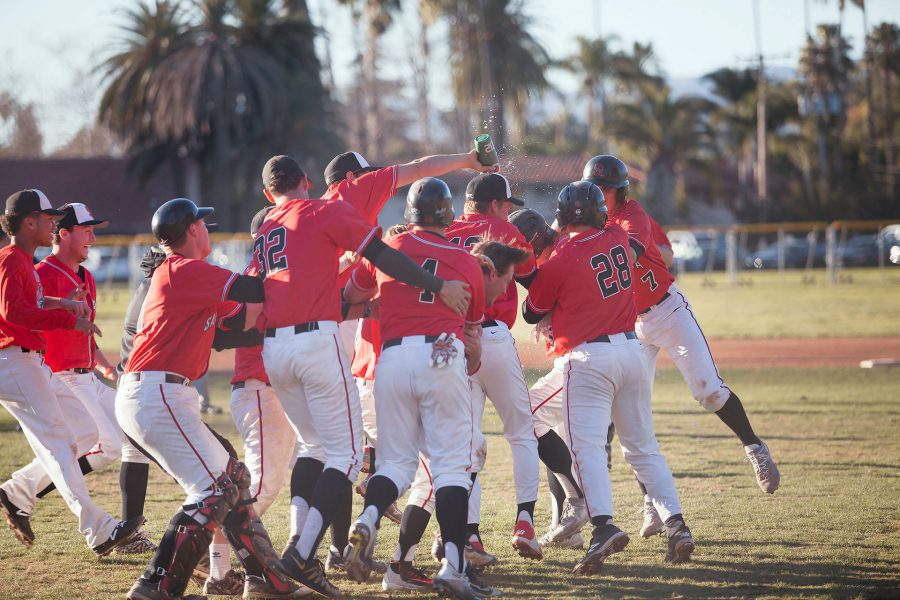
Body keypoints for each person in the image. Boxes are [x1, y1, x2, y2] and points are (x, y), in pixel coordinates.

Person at [251, 156, 471, 598]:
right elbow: (382, 254)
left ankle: (303, 548)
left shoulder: (264, 229)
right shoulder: (322, 208)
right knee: (349, 455)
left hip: (274, 348)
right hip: (316, 340)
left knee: (315, 447)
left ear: (266, 194)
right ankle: (304, 551)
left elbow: (258, 290)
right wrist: (439, 287)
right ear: (308, 182)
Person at [581, 155, 780, 529]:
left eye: (605, 189)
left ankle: (754, 446)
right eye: (595, 189)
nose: (599, 195)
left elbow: (636, 252)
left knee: (708, 391)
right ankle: (652, 504)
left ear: (620, 191)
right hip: (630, 325)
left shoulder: (631, 215)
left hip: (667, 311)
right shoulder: (587, 223)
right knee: (633, 419)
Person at [118, 198, 301, 600]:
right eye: (203, 223)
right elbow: (252, 288)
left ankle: (266, 581)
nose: (208, 229)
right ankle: (156, 585)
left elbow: (233, 327)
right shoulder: (183, 269)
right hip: (156, 392)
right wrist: (297, 265)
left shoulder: (188, 275)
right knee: (213, 491)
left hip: (163, 394)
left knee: (233, 480)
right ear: (193, 231)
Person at [522, 181, 694, 573]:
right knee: (643, 448)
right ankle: (677, 525)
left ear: (564, 218)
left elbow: (533, 312)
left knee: (583, 447)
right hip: (631, 351)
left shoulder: (560, 258)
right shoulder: (618, 235)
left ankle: (601, 526)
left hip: (587, 360)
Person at [342, 177, 486, 599]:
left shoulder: (390, 249)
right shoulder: (465, 260)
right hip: (441, 348)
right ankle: (453, 567)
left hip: (392, 356)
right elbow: (472, 338)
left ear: (409, 213)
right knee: (450, 466)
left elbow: (352, 294)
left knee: (396, 464)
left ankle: (368, 520)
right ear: (448, 213)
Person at [0, 189, 144, 555]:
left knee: (84, 431)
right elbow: (12, 312)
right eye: (48, 219)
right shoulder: (12, 260)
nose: (53, 224)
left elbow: (29, 301)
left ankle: (16, 492)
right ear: (28, 221)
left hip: (30, 360)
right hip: (13, 359)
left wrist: (60, 303)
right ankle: (99, 530)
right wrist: (65, 316)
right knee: (61, 444)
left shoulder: (21, 259)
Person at [444, 172, 543, 560]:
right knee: (520, 433)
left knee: (466, 440)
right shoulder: (504, 230)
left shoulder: (447, 230)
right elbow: (535, 280)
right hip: (495, 339)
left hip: (454, 341)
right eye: (507, 204)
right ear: (498, 205)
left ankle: (470, 535)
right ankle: (525, 522)